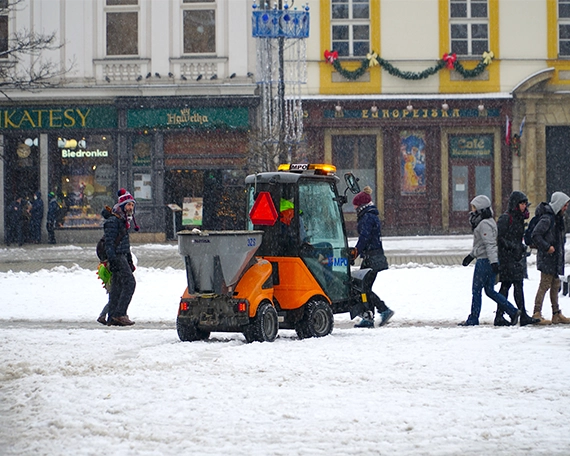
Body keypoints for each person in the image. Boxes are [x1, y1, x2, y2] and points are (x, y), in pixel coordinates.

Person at [460, 195, 521, 326]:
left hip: (484, 262)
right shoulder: (487, 221)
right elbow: (481, 245)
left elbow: (490, 244)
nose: (472, 210)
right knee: (489, 290)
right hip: (485, 259)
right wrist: (471, 256)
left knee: (476, 290)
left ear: (480, 208)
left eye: (474, 207)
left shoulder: (484, 224)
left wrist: (493, 262)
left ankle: (473, 318)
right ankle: (512, 311)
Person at [494, 191, 540, 326]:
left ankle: (507, 315)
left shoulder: (519, 218)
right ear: (515, 204)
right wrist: (513, 246)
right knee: (511, 285)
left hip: (515, 257)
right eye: (522, 203)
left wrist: (520, 247)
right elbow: (500, 238)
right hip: (508, 258)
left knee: (512, 285)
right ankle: (508, 316)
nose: (524, 206)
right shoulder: (506, 218)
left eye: (525, 203)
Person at [352, 186, 394, 328]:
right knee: (364, 287)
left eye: (356, 206)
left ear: (361, 205)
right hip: (373, 255)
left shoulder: (367, 217)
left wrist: (356, 251)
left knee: (362, 287)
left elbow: (364, 237)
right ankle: (370, 316)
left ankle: (382, 310)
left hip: (372, 257)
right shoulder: (370, 215)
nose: (354, 208)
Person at [531, 191, 570, 325]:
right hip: (548, 258)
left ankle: (556, 313)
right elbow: (536, 234)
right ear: (559, 204)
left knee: (555, 285)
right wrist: (547, 247)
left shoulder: (558, 219)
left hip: (555, 259)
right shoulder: (547, 218)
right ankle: (536, 313)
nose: (566, 208)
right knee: (545, 285)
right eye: (565, 205)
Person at [103, 188, 139, 327]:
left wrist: (129, 260)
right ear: (122, 206)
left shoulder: (124, 221)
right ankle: (120, 314)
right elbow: (109, 243)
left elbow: (125, 244)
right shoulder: (114, 221)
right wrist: (112, 259)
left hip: (122, 256)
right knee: (130, 283)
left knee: (117, 287)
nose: (131, 208)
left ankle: (112, 316)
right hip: (117, 257)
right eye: (128, 205)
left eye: (132, 205)